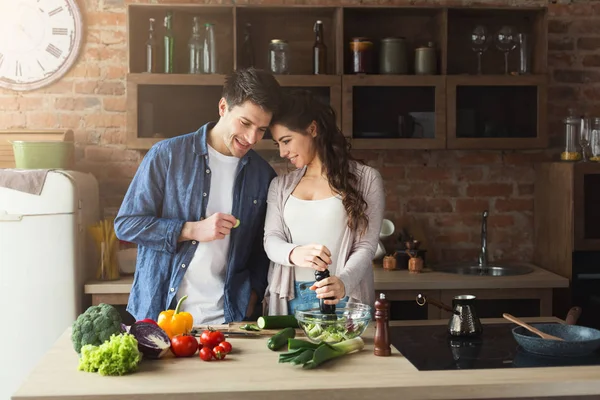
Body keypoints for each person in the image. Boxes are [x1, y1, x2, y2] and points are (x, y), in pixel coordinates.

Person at [114, 67, 281, 325]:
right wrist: (190, 230)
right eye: (245, 123)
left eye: (262, 130)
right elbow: (126, 225)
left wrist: (253, 296)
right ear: (223, 107)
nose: (251, 138)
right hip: (161, 316)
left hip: (228, 320)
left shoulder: (263, 175)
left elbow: (262, 249)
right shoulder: (167, 155)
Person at [262, 90, 385, 316]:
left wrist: (343, 282)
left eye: (287, 141)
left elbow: (366, 247)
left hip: (344, 297)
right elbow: (271, 240)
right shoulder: (279, 186)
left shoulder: (367, 179)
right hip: (291, 298)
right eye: (278, 143)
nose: (282, 152)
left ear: (312, 129)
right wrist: (294, 253)